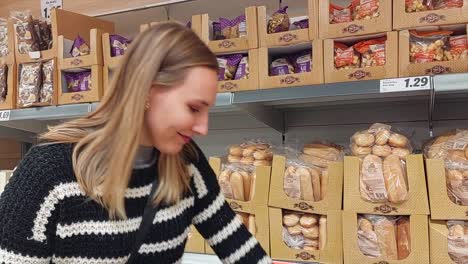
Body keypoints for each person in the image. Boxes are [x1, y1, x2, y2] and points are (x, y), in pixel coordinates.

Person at [0, 22, 271, 263]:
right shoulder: (47, 174)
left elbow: (242, 250)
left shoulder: (187, 165)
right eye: (193, 108)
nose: (203, 127)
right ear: (147, 92)